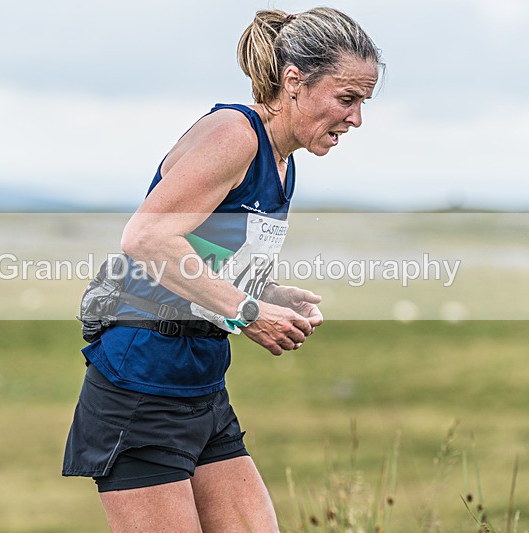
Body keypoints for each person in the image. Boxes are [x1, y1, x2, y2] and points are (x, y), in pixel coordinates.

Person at [63, 7, 381, 532]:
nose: (356, 119)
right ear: (294, 82)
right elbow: (146, 238)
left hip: (202, 384)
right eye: (347, 99)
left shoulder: (284, 160)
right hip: (141, 382)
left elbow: (202, 259)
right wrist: (248, 313)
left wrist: (269, 292)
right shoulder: (235, 134)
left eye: (363, 102)